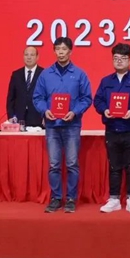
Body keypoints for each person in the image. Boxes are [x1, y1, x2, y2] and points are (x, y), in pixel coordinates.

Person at [33, 37, 92, 214]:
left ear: (70, 51)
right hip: (52, 125)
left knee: (72, 163)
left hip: (72, 125)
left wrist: (74, 112)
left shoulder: (79, 74)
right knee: (54, 164)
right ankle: (56, 198)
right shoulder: (46, 74)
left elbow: (86, 98)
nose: (60, 52)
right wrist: (44, 111)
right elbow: (38, 97)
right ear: (54, 51)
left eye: (64, 49)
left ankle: (71, 198)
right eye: (57, 49)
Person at [94, 43, 130, 214]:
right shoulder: (106, 81)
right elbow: (98, 100)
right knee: (114, 166)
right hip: (112, 129)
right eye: (116, 58)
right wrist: (104, 110)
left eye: (123, 58)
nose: (119, 61)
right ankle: (114, 199)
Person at [6, 46, 44, 127]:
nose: (29, 57)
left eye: (32, 55)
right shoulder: (16, 74)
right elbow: (11, 98)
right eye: (26, 55)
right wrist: (10, 116)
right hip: (18, 118)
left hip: (38, 117)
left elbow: (47, 97)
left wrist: (45, 116)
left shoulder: (43, 74)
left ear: (37, 57)